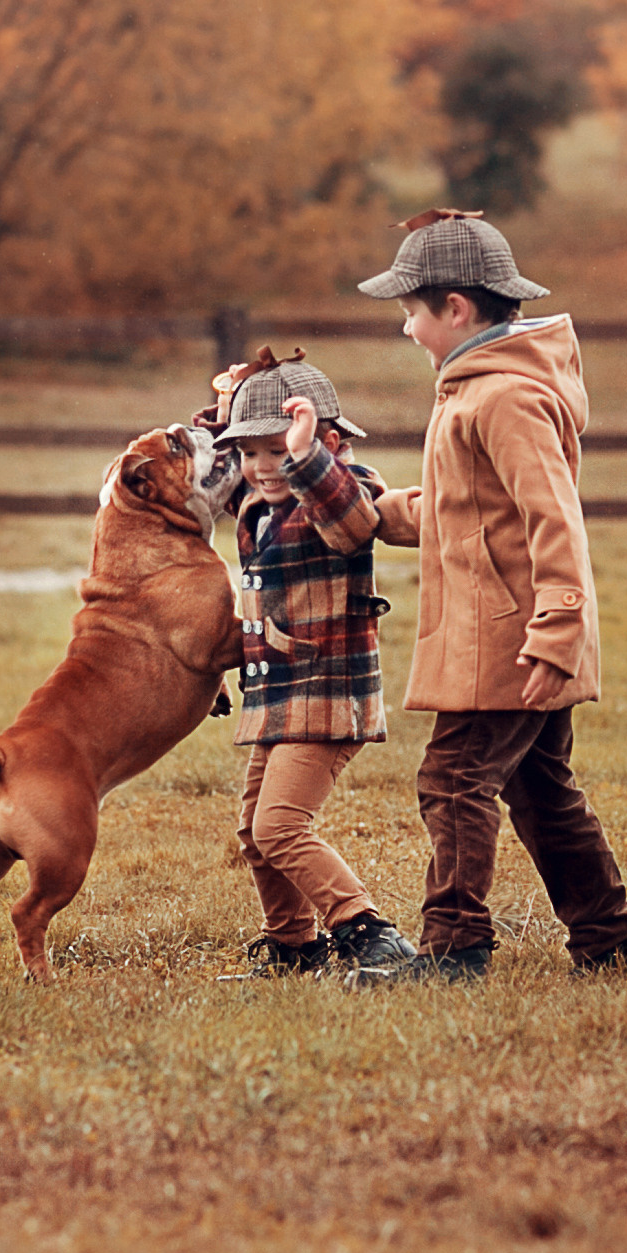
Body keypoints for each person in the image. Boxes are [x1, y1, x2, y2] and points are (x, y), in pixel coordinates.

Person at [356, 209, 627, 981]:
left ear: (455, 308)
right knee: (541, 789)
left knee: (452, 781)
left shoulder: (504, 399)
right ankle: (611, 945)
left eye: (411, 312)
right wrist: (376, 514)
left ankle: (454, 948)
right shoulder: (473, 393)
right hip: (505, 636)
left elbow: (555, 520)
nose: (408, 329)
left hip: (511, 641)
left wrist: (556, 634)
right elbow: (464, 508)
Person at [205, 351, 422, 980]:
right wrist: (232, 403)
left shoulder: (345, 488)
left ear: (324, 442)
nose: (261, 467)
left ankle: (368, 930)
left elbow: (353, 524)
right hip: (278, 698)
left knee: (279, 825)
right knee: (255, 833)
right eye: (251, 453)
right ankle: (294, 948)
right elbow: (228, 458)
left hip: (328, 693)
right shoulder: (262, 500)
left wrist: (304, 457)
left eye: (277, 451)